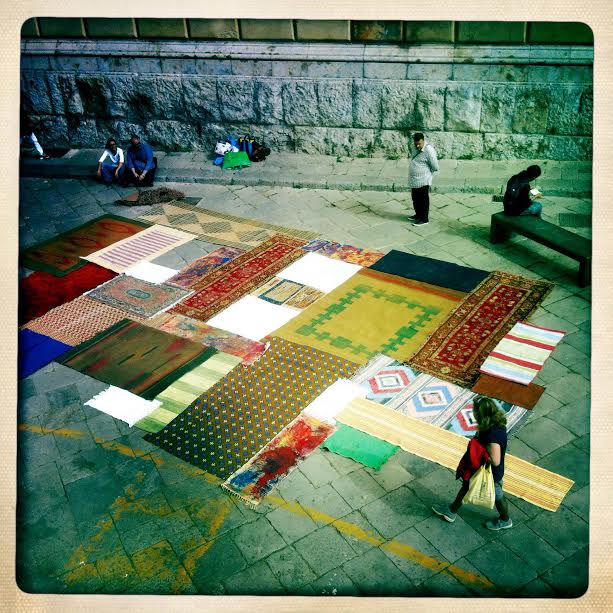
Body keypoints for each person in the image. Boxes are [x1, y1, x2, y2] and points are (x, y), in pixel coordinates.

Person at [431, 396, 512, 531]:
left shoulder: (492, 435)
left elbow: (495, 460)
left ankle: (505, 520)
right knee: (466, 487)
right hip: (484, 471)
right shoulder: (496, 423)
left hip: (488, 473)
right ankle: (451, 511)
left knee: (497, 496)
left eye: (476, 411)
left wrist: (482, 449)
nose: (473, 413)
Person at [408, 132, 439, 226]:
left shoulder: (429, 150)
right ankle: (418, 215)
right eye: (416, 143)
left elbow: (435, 166)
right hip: (414, 180)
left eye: (419, 144)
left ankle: (424, 219)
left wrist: (426, 173)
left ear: (423, 141)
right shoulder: (413, 146)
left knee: (423, 200)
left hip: (424, 179)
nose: (417, 146)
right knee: (415, 198)